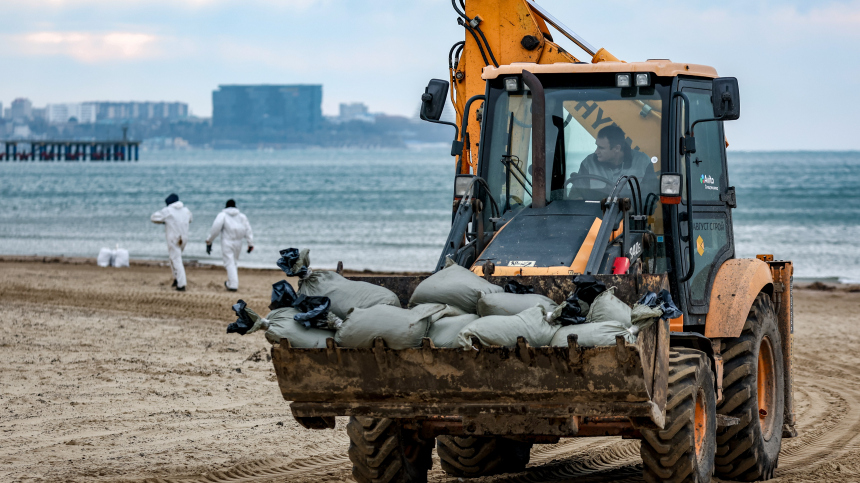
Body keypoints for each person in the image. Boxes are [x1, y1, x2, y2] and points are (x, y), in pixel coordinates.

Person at [574, 124, 657, 196]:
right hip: (596, 213)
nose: (596, 152)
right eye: (597, 146)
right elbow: (576, 195)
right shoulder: (588, 163)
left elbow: (651, 196)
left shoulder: (643, 162)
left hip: (632, 214)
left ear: (617, 148)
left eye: (601, 148)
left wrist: (632, 209)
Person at [205, 199, 254, 292]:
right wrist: (250, 243)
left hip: (227, 242)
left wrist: (209, 240)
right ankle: (231, 282)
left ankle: (233, 285)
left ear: (226, 206)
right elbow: (248, 230)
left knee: (229, 263)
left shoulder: (222, 215)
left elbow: (215, 229)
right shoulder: (242, 216)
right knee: (234, 262)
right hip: (239, 243)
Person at [151, 193, 192, 291]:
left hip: (174, 238)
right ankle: (176, 278)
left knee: (176, 260)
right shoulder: (186, 210)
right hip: (184, 238)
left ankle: (181, 284)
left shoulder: (168, 211)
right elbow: (190, 219)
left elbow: (153, 217)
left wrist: (164, 221)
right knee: (174, 258)